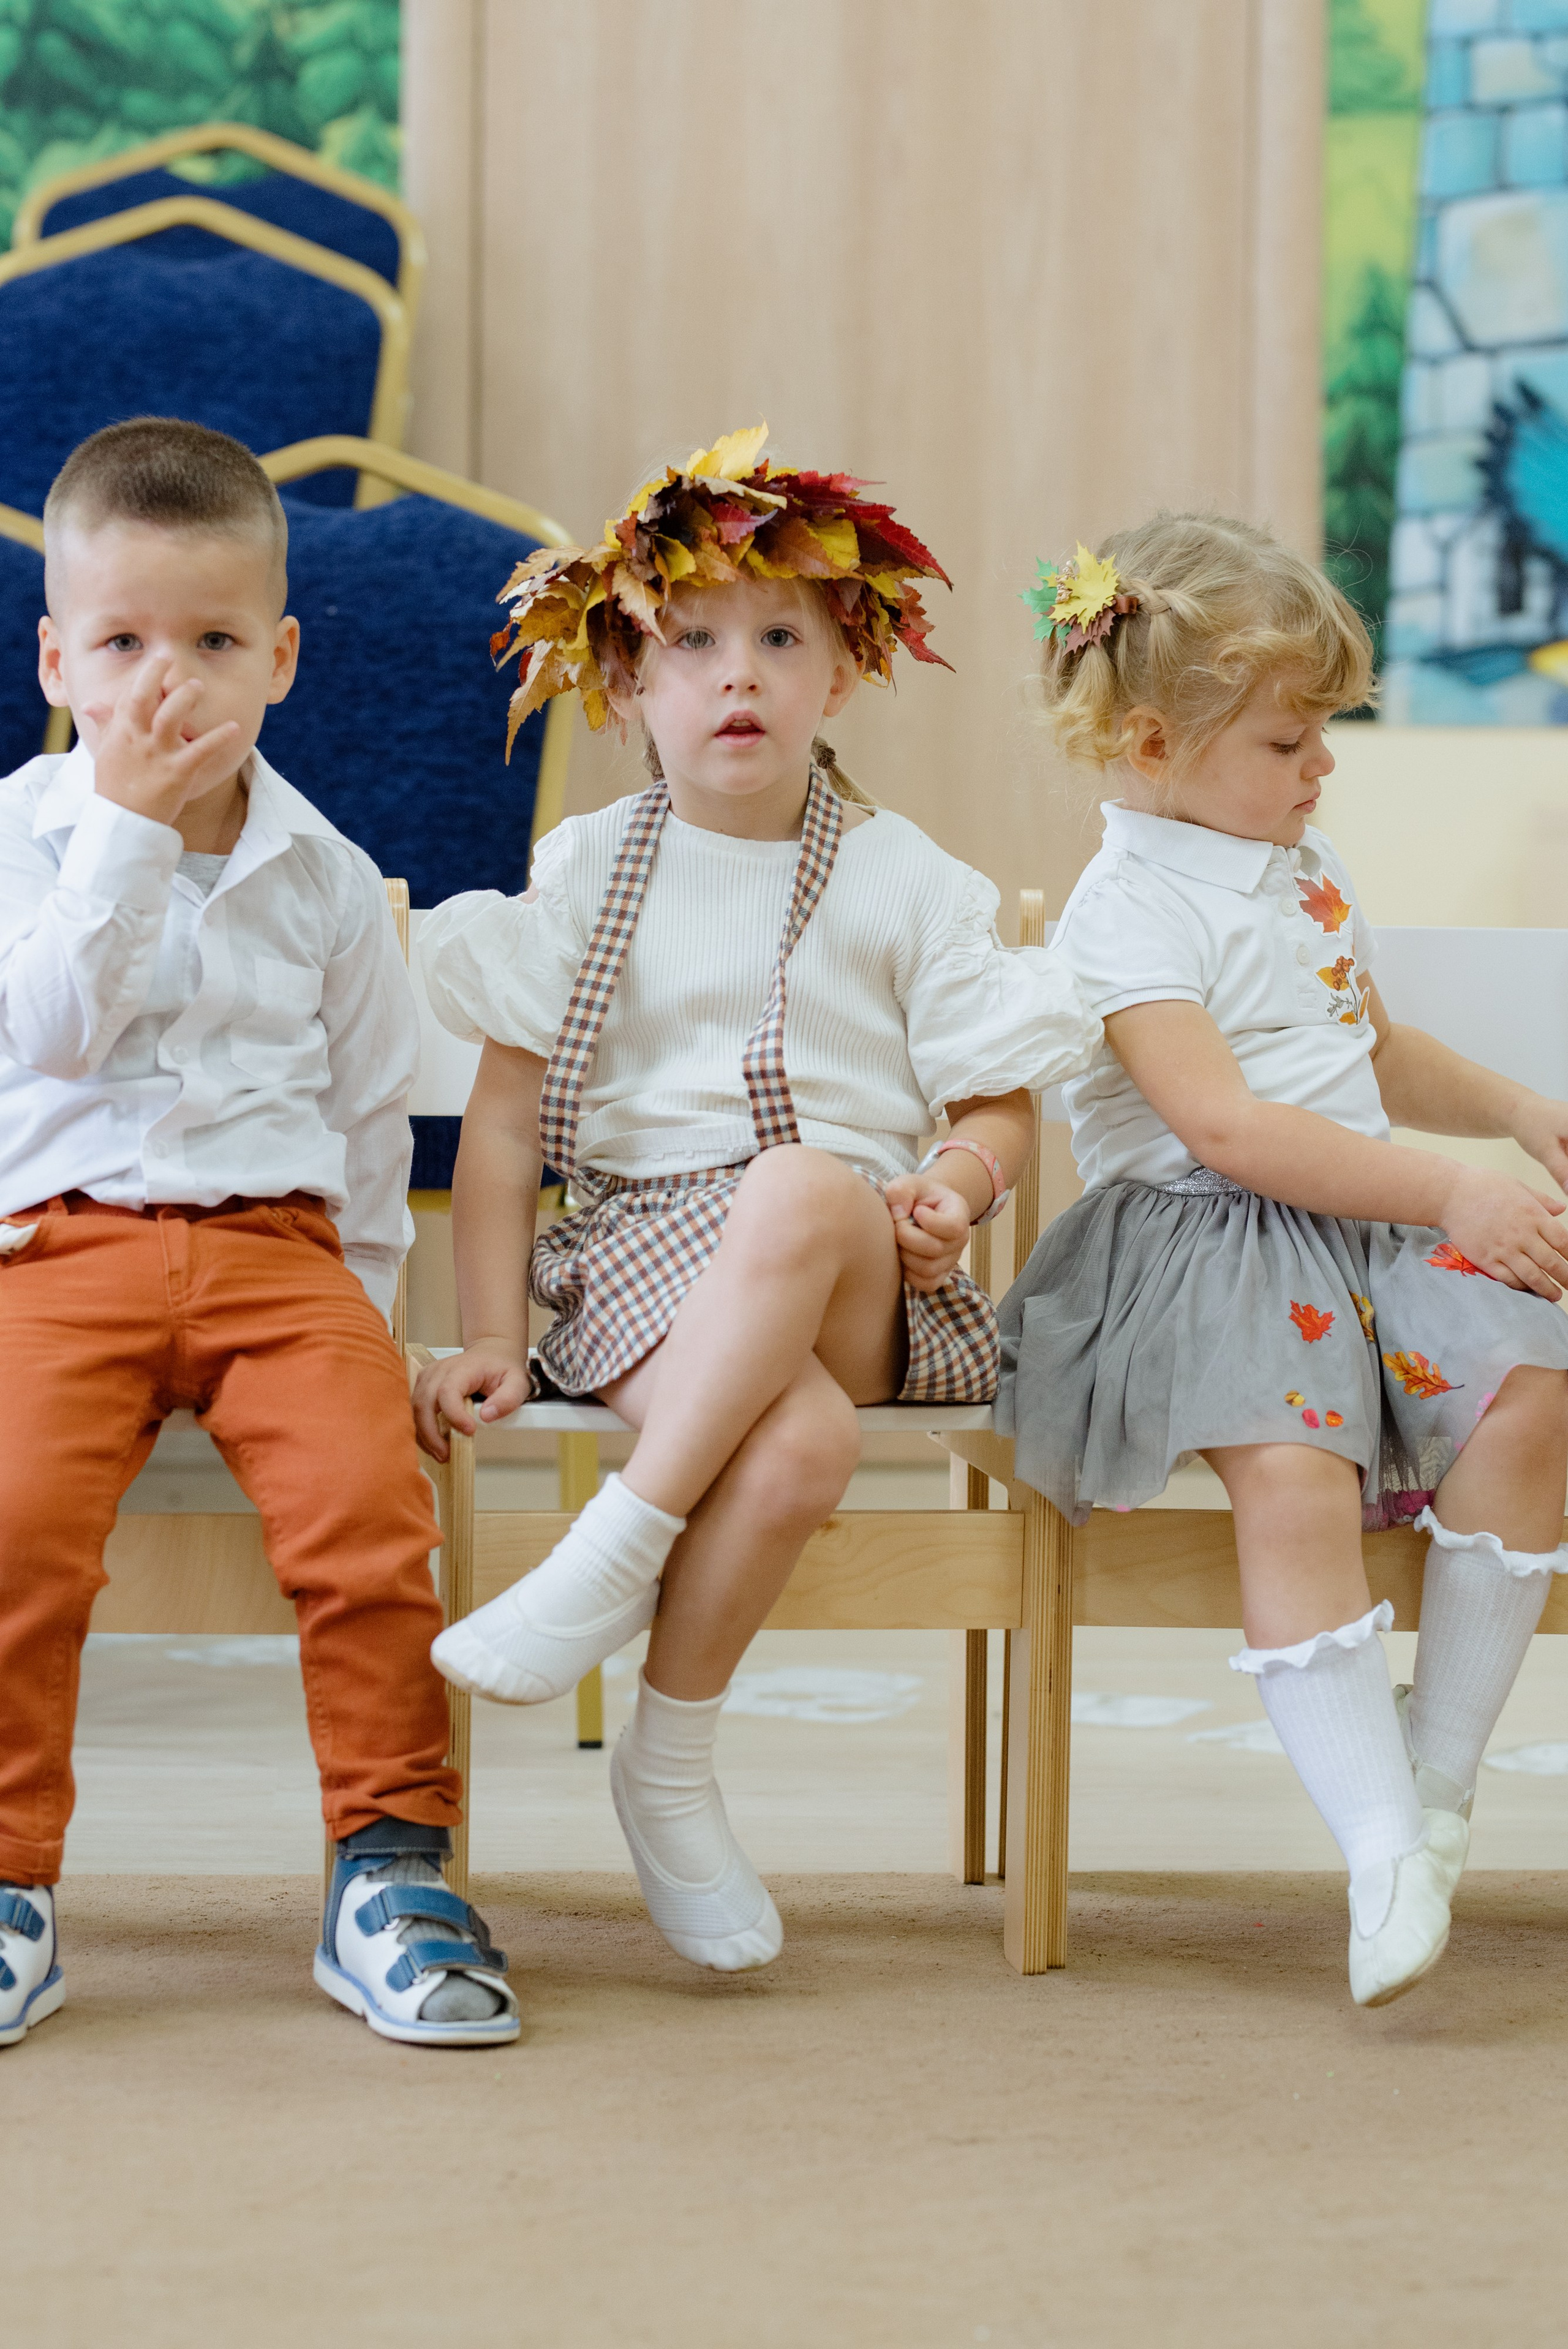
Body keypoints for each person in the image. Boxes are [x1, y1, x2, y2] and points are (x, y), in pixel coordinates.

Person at [413, 425, 1098, 1973]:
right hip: (643, 1252)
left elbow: (994, 1098)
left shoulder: (901, 874)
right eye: (693, 644)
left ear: (839, 673)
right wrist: (491, 1335)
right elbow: (505, 1131)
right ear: (626, 682)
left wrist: (956, 1183)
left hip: (855, 1260)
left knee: (795, 1184)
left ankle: (607, 1553)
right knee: (797, 1444)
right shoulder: (589, 868)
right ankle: (667, 1769)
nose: (739, 676)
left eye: (781, 640)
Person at [1000, 514, 1568, 2007]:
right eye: (1285, 739)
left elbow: (1365, 1050)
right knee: (1294, 1471)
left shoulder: (1299, 863)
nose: (1320, 766)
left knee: (1531, 1394)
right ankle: (1375, 1841)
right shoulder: (1125, 909)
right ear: (1150, 743)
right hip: (1207, 1239)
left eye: (1322, 732)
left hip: (1363, 1222)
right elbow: (1228, 1129)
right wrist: (1454, 1189)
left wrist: (1515, 1113)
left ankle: (1433, 1785)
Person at [0, 418, 516, 2050]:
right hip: (57, 1251)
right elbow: (54, 1033)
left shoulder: (324, 876)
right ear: (57, 661)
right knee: (9, 1527)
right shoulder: (20, 841)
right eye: (123, 645)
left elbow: (370, 1126)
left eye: (214, 643)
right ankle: (8, 1882)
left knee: (369, 1520)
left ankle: (391, 1865)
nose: (168, 682)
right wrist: (131, 826)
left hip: (281, 1258)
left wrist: (366, 1319)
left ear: (280, 660)